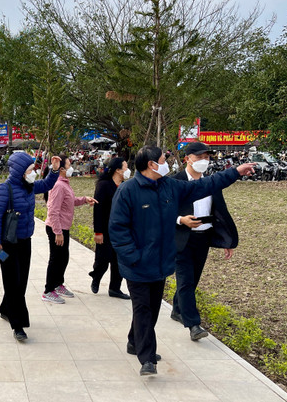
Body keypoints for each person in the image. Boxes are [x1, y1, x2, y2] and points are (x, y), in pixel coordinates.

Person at [109, 145, 255, 376]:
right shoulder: (128, 191)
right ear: (151, 165)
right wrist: (132, 257)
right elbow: (117, 229)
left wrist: (235, 172)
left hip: (160, 263)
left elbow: (205, 185)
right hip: (137, 265)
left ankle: (134, 341)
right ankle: (147, 359)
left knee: (151, 309)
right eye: (163, 158)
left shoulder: (169, 186)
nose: (167, 161)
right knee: (144, 309)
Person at [171, 142, 239, 341]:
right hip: (182, 238)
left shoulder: (211, 184)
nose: (203, 161)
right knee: (185, 280)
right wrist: (180, 220)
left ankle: (177, 309)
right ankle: (193, 324)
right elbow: (164, 210)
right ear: (187, 159)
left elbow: (220, 212)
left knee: (193, 280)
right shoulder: (175, 182)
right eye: (199, 157)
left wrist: (227, 241)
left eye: (207, 157)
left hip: (203, 238)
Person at [0, 152, 62, 341]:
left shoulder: (29, 187)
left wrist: (54, 170)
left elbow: (46, 184)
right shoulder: (5, 189)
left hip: (24, 243)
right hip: (6, 246)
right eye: (30, 170)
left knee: (20, 281)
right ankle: (18, 325)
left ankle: (5, 309)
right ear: (20, 171)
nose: (33, 172)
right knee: (13, 284)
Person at [41, 154, 97, 304]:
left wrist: (85, 199)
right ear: (61, 169)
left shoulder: (64, 183)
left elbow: (70, 202)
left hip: (63, 226)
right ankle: (48, 290)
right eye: (68, 164)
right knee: (56, 259)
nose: (71, 167)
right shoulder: (58, 185)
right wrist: (57, 232)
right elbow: (53, 210)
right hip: (56, 227)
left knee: (63, 258)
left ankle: (58, 284)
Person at [89, 157, 131, 299]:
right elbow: (98, 209)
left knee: (118, 260)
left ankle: (115, 288)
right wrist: (98, 231)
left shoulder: (125, 185)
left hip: (122, 230)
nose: (127, 169)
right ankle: (96, 277)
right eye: (125, 167)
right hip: (106, 229)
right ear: (118, 170)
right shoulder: (104, 185)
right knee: (103, 258)